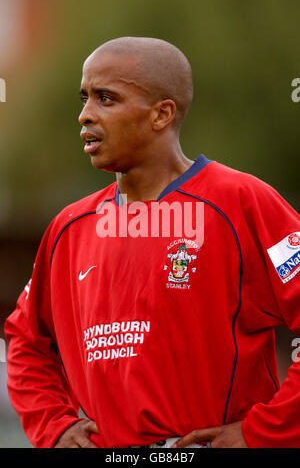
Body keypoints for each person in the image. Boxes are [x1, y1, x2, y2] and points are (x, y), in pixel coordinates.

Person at [4, 36, 300, 449]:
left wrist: (263, 431)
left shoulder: (242, 202)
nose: (85, 115)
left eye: (106, 99)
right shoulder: (68, 227)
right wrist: (54, 427)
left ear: (161, 114)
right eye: (85, 98)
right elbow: (25, 342)